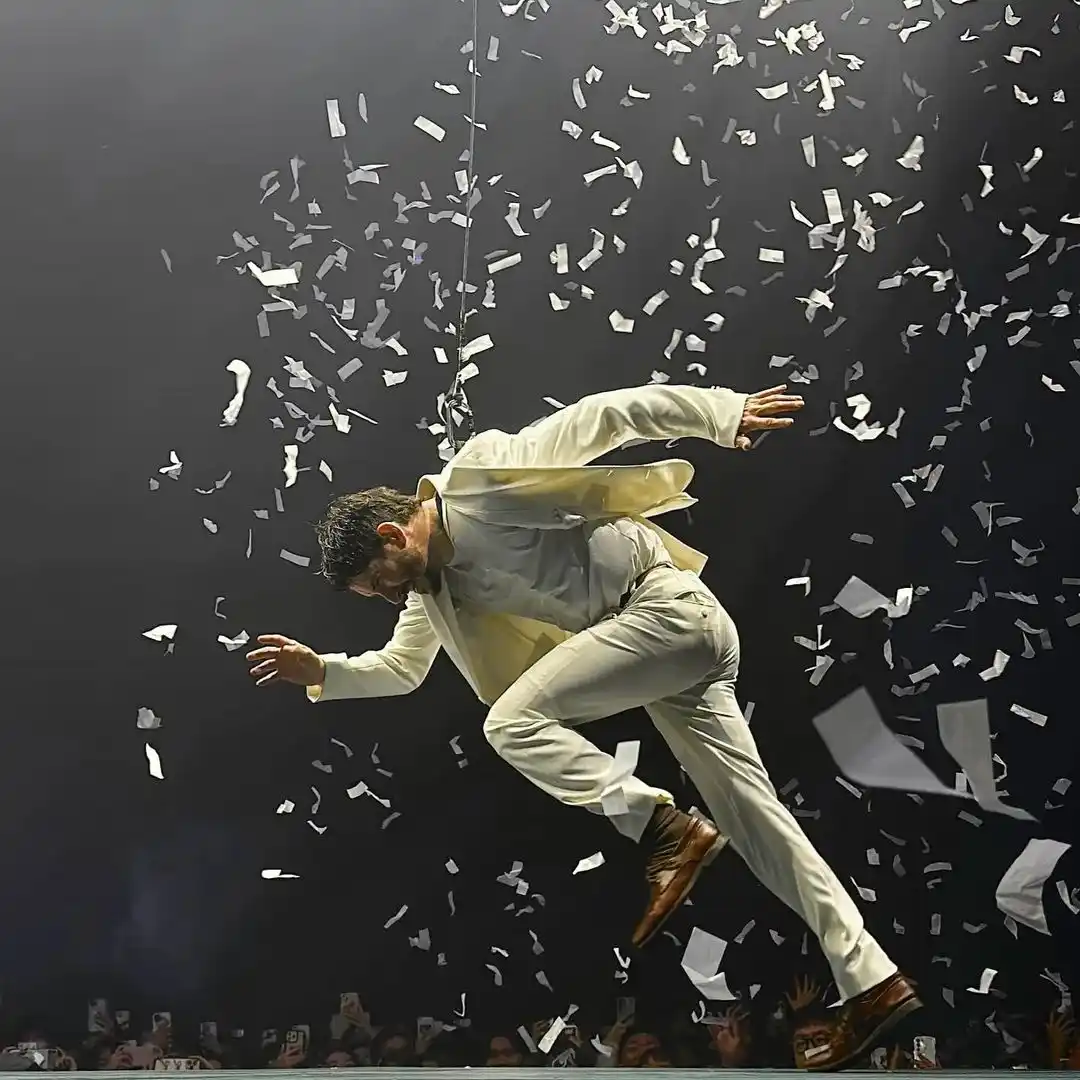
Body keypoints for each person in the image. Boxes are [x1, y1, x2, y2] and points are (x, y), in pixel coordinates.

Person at [247, 382, 921, 1070]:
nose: (391, 596)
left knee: (508, 723)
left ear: (393, 534)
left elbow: (607, 416)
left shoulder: (479, 478)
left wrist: (719, 412)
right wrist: (324, 671)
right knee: (759, 826)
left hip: (665, 611)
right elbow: (402, 667)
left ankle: (662, 827)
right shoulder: (434, 592)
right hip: (660, 651)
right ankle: (871, 981)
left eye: (382, 582)